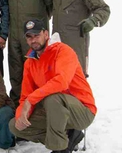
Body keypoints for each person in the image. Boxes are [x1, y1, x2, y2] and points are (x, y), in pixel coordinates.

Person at [9, 19, 96, 153]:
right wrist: (22, 115)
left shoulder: (63, 51)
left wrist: (31, 100)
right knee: (14, 125)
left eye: (37, 35)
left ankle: (59, 148)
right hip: (55, 111)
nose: (33, 40)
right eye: (29, 37)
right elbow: (25, 96)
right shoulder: (30, 63)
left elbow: (62, 82)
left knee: (53, 99)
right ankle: (67, 137)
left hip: (82, 110)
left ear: (46, 34)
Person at [0, 0, 53, 106]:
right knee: (16, 74)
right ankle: (17, 110)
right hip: (14, 35)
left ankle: (40, 111)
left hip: (35, 37)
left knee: (39, 74)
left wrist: (42, 31)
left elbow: (50, 3)